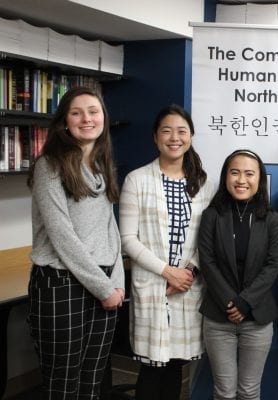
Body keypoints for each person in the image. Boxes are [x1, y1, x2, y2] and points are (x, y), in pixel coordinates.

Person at [27, 86, 125, 399]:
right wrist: (105, 289)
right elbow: (62, 235)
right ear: (64, 122)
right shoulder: (49, 166)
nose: (87, 119)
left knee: (91, 384)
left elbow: (110, 228)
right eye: (76, 113)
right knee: (63, 385)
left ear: (103, 118)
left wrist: (117, 282)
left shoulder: (99, 165)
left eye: (93, 112)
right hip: (62, 282)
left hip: (103, 282)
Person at [119, 104, 213, 400]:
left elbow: (208, 238)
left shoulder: (204, 183)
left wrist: (187, 273)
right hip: (153, 283)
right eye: (167, 131)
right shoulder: (137, 179)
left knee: (175, 366)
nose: (175, 138)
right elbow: (128, 239)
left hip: (186, 286)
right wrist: (167, 272)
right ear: (155, 137)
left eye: (182, 131)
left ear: (191, 136)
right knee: (151, 367)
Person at [198, 149, 278, 400]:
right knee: (224, 392)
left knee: (249, 391)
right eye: (235, 173)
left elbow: (273, 265)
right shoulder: (212, 216)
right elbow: (207, 261)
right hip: (218, 317)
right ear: (225, 177)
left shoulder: (272, 220)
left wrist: (246, 302)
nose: (241, 180)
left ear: (260, 179)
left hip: (257, 319)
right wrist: (231, 301)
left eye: (249, 173)